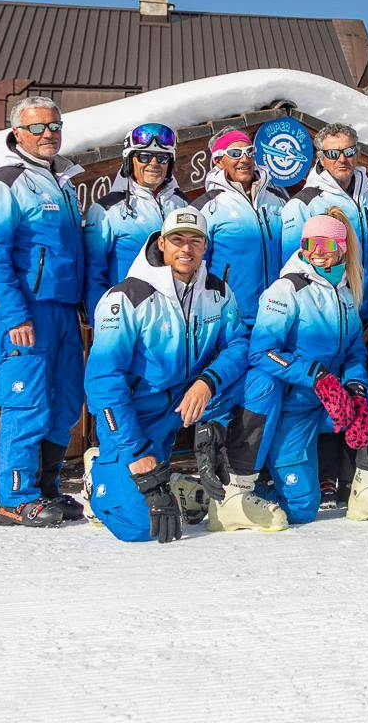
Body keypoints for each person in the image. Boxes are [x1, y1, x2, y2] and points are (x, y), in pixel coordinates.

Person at [226, 209, 368, 526]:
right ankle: (247, 490)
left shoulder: (345, 292)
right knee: (301, 511)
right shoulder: (286, 290)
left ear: (341, 248)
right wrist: (317, 377)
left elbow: (353, 352)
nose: (317, 251)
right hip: (295, 405)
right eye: (310, 243)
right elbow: (262, 352)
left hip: (334, 403)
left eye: (326, 244)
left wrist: (357, 389)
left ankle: (367, 490)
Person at [84, 209, 251, 542]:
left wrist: (208, 383)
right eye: (177, 240)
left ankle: (238, 481)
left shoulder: (217, 292)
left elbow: (239, 345)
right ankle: (99, 475)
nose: (186, 249)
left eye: (195, 241)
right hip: (137, 412)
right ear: (161, 243)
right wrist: (137, 456)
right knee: (139, 527)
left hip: (186, 400)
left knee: (259, 379)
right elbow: (103, 381)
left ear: (206, 246)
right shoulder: (126, 297)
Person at [0, 96, 86, 527]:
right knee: (28, 403)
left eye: (54, 126)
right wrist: (12, 314)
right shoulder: (4, 182)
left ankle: (47, 489)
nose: (48, 134)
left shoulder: (62, 180)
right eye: (38, 128)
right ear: (17, 132)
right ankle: (15, 499)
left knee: (65, 403)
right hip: (26, 314)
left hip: (62, 312)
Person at [281, 123, 368, 507]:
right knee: (323, 390)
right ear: (320, 156)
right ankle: (326, 474)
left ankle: (357, 473)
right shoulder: (304, 202)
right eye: (333, 153)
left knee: (359, 392)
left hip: (365, 314)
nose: (342, 159)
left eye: (349, 150)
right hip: (319, 315)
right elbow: (292, 262)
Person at [82, 122, 188, 320]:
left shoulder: (185, 206)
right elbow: (93, 272)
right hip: (127, 314)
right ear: (130, 161)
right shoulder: (106, 209)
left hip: (177, 316)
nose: (154, 164)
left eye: (162, 158)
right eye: (144, 156)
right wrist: (103, 320)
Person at [190, 129, 288, 329]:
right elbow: (194, 265)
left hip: (280, 312)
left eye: (249, 152)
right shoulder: (206, 207)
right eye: (235, 154)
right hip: (233, 316)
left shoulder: (278, 197)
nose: (244, 159)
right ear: (219, 161)